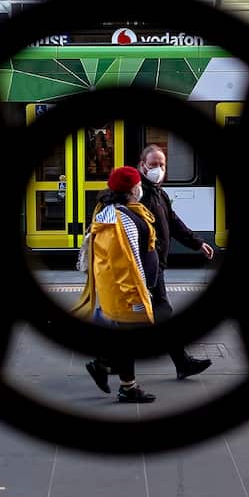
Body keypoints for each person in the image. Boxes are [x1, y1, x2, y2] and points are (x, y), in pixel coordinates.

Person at [87, 144, 215, 382]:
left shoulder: (158, 192)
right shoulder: (136, 195)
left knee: (144, 320)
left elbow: (173, 222)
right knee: (156, 316)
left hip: (153, 267)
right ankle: (111, 365)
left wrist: (198, 243)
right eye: (154, 165)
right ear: (142, 165)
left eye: (162, 165)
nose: (159, 169)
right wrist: (145, 271)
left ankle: (107, 363)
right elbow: (134, 235)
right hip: (146, 270)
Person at [72, 166, 158, 403]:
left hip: (124, 289)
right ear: (133, 189)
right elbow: (128, 261)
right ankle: (125, 384)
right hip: (127, 291)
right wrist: (140, 293)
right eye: (139, 184)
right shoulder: (121, 220)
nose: (141, 188)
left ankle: (104, 364)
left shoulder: (124, 211)